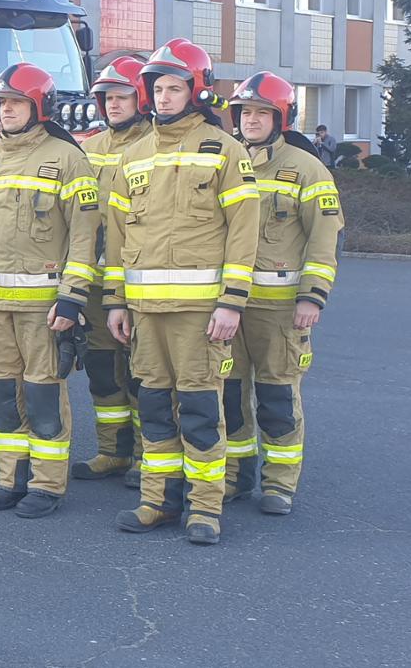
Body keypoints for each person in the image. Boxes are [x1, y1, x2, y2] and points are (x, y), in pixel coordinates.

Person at [101, 38, 261, 546]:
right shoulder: (135, 155)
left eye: (175, 87)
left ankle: (205, 509)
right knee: (153, 410)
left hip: (200, 312)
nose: (165, 97)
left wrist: (232, 301)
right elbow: (118, 235)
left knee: (199, 413)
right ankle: (157, 501)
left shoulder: (224, 151)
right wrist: (116, 303)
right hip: (145, 312)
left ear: (196, 92)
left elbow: (243, 231)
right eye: (158, 88)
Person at [0, 63, 100, 518]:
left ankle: (48, 485)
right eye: (0, 104)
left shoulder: (69, 159)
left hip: (43, 310)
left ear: (40, 106)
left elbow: (84, 235)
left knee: (43, 399)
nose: (5, 111)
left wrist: (73, 296)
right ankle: (9, 478)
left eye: (15, 103)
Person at [220, 72, 342, 517]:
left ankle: (279, 483)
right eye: (245, 112)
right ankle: (235, 476)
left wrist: (312, 296)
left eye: (261, 113)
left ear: (281, 117)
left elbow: (324, 239)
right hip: (230, 307)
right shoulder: (226, 160)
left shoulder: (307, 168)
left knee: (276, 399)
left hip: (281, 309)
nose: (251, 120)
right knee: (230, 397)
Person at [72, 56, 154, 488]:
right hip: (95, 282)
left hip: (139, 282)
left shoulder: (158, 145)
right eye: (107, 98)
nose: (113, 105)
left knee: (143, 375)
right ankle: (112, 451)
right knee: (103, 370)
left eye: (122, 96)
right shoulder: (89, 148)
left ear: (140, 98)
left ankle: (146, 456)